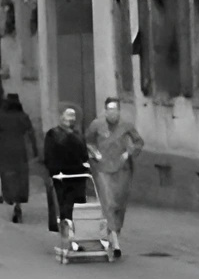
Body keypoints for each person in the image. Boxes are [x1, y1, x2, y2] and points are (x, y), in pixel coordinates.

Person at [86, 96, 145, 258]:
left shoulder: (127, 126)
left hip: (122, 170)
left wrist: (129, 152)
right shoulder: (96, 125)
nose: (113, 113)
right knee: (109, 203)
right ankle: (115, 243)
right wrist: (94, 153)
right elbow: (87, 142)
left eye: (115, 109)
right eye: (109, 109)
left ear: (119, 111)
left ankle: (114, 233)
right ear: (105, 111)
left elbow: (139, 142)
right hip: (103, 169)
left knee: (119, 204)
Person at [42, 104, 90, 234]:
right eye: (68, 115)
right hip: (61, 177)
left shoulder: (78, 135)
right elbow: (48, 156)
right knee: (64, 208)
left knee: (79, 206)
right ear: (61, 117)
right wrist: (53, 173)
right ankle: (68, 236)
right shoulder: (53, 134)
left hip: (78, 176)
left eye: (73, 115)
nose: (71, 118)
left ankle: (79, 236)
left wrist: (85, 165)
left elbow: (84, 154)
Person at [0, 92, 38, 224]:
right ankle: (18, 203)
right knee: (20, 176)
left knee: (7, 175)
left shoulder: (1, 116)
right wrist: (35, 150)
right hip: (20, 150)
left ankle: (8, 197)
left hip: (5, 150)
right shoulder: (23, 116)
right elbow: (31, 134)